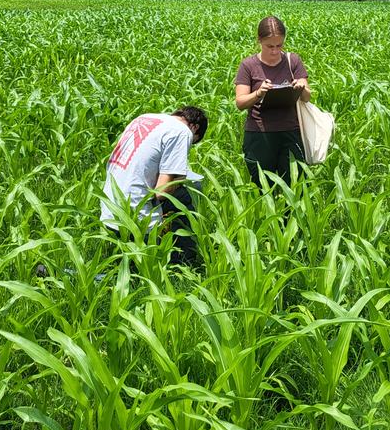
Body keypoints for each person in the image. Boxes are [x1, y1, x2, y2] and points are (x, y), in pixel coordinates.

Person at [99, 106, 208, 266]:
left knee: (121, 270)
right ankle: (182, 265)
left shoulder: (145, 118)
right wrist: (179, 178)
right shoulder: (182, 131)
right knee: (191, 190)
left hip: (110, 214)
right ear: (195, 128)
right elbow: (161, 192)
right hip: (137, 223)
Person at [234, 16, 312, 187]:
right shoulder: (248, 65)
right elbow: (240, 102)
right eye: (270, 46)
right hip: (259, 134)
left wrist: (301, 87)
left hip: (290, 132)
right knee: (262, 188)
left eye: (279, 45)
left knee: (294, 187)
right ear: (259, 40)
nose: (275, 51)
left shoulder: (293, 61)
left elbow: (307, 97)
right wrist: (259, 93)